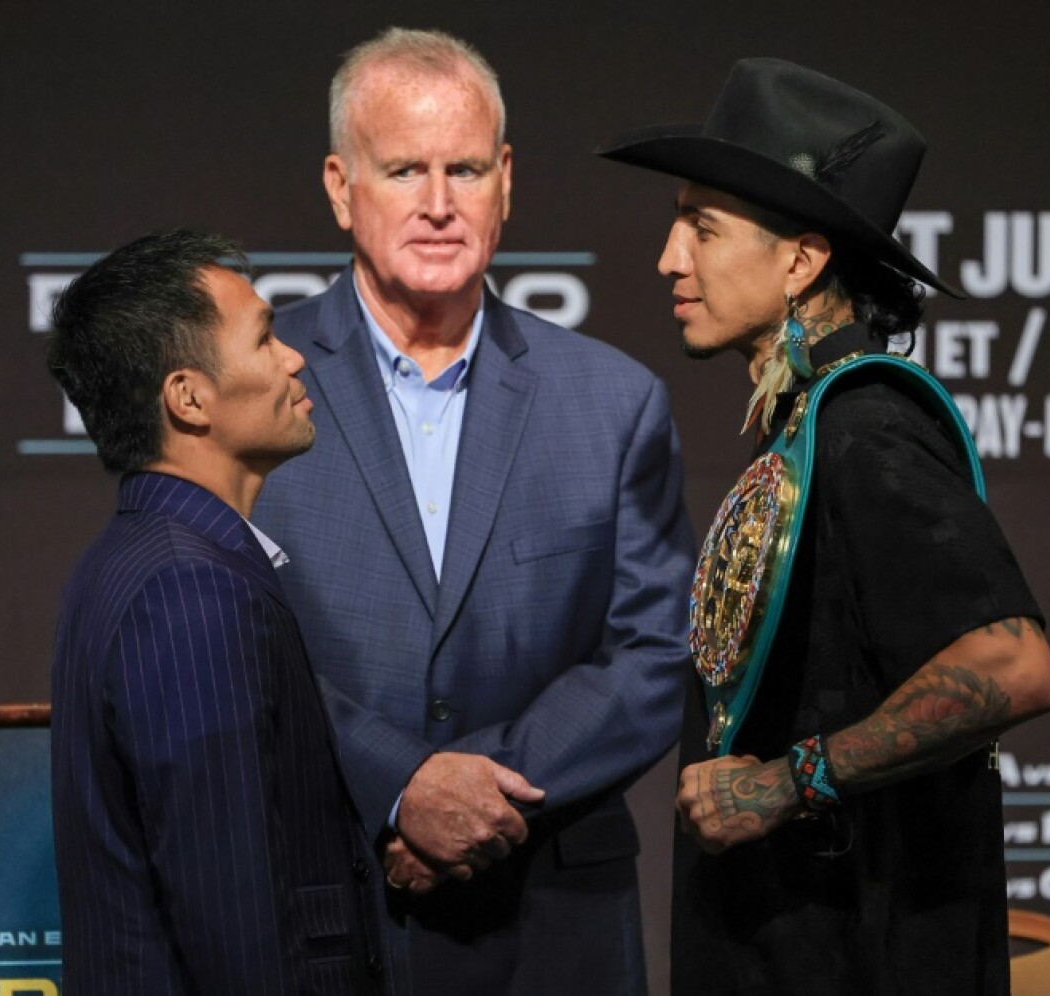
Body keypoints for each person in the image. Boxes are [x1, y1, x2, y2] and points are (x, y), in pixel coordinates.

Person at [599, 59, 1050, 994]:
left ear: (802, 261)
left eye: (702, 226)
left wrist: (787, 782)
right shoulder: (812, 424)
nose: (668, 258)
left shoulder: (867, 427)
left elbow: (1014, 665)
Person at [252, 27, 694, 996]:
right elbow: (224, 641)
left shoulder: (615, 402)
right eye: (404, 169)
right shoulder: (247, 385)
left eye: (465, 169)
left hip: (555, 929)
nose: (439, 205)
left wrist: (473, 792)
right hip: (324, 908)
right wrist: (398, 787)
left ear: (506, 181)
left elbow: (655, 655)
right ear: (339, 186)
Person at [47, 229, 388, 995]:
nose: (295, 357)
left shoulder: (143, 557)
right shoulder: (188, 589)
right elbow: (235, 919)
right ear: (189, 397)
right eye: (265, 338)